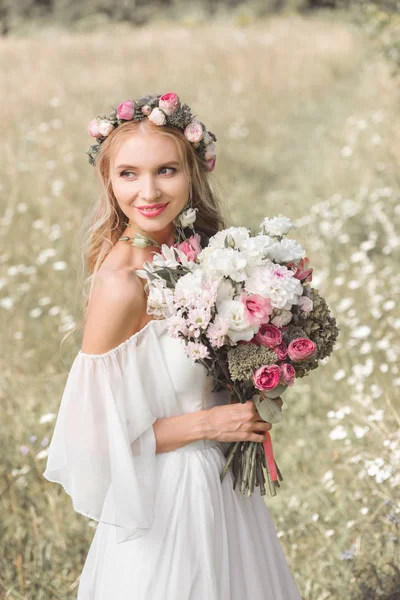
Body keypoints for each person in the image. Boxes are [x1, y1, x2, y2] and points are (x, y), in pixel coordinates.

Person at [43, 93, 303, 599]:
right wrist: (208, 424)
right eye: (128, 174)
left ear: (195, 173)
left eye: (166, 170)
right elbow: (89, 443)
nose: (148, 192)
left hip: (223, 495)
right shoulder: (121, 285)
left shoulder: (201, 256)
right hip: (165, 507)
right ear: (107, 180)